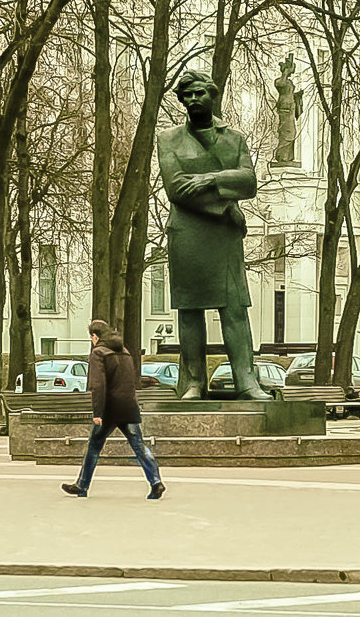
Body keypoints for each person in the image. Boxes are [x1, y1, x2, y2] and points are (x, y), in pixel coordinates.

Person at [156, 69, 273, 401]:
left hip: (224, 237)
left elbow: (249, 182)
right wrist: (226, 206)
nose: (193, 99)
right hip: (189, 234)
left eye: (199, 93)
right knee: (190, 310)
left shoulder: (233, 138)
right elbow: (176, 189)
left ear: (212, 95)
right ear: (181, 100)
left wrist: (209, 179)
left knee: (235, 308)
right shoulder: (168, 139)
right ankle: (193, 382)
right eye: (187, 94)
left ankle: (246, 381)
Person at [62, 320, 166, 499]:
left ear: (95, 336)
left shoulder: (99, 353)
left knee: (94, 447)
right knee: (139, 446)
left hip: (110, 409)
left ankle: (81, 485)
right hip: (129, 407)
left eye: (91, 338)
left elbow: (98, 385)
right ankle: (156, 481)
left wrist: (98, 413)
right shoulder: (124, 352)